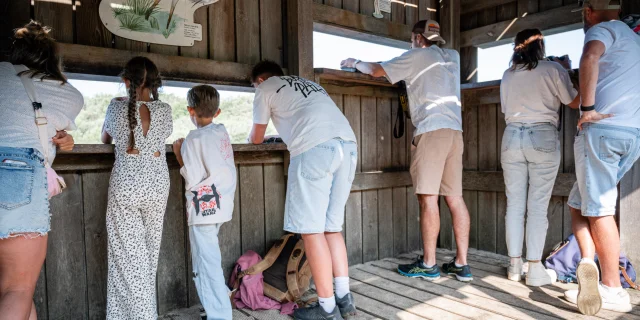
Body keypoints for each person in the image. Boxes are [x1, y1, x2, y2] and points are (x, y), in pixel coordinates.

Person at [341, 19, 473, 282]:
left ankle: (428, 264)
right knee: (455, 198)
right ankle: (461, 264)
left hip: (431, 131)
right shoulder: (453, 57)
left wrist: (355, 62)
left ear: (417, 38)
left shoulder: (416, 55)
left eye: (412, 40)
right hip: (454, 131)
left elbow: (377, 70)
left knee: (428, 198)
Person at [249, 61, 358, 320]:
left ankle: (327, 308)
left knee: (311, 232)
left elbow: (255, 137)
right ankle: (344, 299)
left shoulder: (265, 89)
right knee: (332, 228)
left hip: (315, 148)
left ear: (260, 80)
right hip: (348, 146)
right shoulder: (307, 85)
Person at [562, 0, 640, 315]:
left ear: (590, 10)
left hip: (602, 130)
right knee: (579, 203)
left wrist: (587, 109)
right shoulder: (634, 40)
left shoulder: (603, 30)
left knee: (600, 210)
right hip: (631, 133)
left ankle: (612, 289)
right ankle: (586, 263)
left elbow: (589, 56)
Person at [0, 21, 82, 320]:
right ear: (51, 58)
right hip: (17, 175)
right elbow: (49, 125)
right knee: (17, 290)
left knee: (11, 292)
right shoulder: (67, 93)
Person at [500, 29, 580, 287]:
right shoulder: (552, 69)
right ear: (541, 47)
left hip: (512, 135)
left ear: (516, 47)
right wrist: (566, 71)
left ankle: (514, 265)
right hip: (542, 135)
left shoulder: (508, 74)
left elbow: (505, 108)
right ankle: (534, 270)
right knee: (537, 206)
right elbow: (573, 102)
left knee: (514, 204)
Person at [101, 56, 173, 319]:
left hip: (127, 186)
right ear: (155, 84)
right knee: (148, 260)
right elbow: (157, 136)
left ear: (125, 81)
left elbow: (105, 138)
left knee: (128, 263)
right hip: (157, 185)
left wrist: (119, 105)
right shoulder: (164, 110)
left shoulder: (116, 108)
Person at [172, 85, 236, 320]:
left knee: (206, 263)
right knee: (211, 258)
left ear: (190, 110)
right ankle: (219, 303)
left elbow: (192, 176)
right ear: (217, 112)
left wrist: (180, 154)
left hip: (203, 209)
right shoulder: (221, 133)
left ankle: (219, 314)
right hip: (223, 205)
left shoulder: (193, 139)